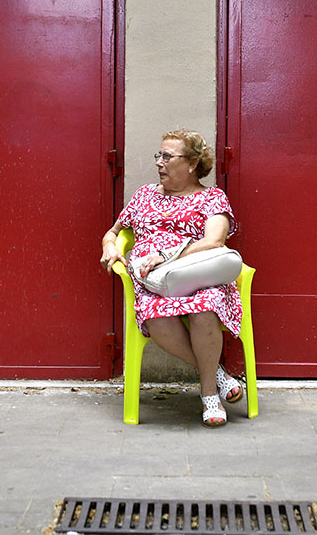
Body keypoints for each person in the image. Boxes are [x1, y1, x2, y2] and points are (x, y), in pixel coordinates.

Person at [99, 129, 243, 428]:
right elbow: (113, 232)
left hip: (197, 275)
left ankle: (208, 397)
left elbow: (215, 240)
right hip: (152, 280)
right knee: (155, 315)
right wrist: (110, 247)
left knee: (206, 308)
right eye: (158, 155)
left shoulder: (212, 197)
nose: (159, 163)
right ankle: (218, 376)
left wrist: (168, 254)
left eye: (167, 156)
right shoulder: (145, 195)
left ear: (192, 163)